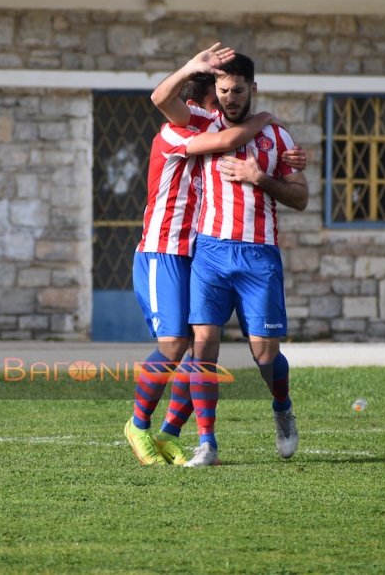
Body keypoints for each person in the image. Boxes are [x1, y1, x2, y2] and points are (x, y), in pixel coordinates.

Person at [124, 44, 306, 466]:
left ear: (250, 88)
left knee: (254, 354)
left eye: (234, 92)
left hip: (239, 255)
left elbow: (300, 193)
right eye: (217, 96)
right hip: (176, 250)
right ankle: (174, 434)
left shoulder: (272, 137)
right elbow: (205, 124)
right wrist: (194, 67)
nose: (223, 104)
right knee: (187, 345)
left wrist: (269, 167)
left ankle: (174, 432)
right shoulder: (190, 130)